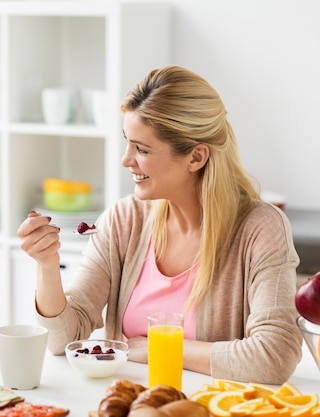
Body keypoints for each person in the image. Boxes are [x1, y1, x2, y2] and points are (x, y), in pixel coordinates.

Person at [17, 66, 302, 384]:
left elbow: (274, 356)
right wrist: (47, 265)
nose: (126, 160)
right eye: (128, 142)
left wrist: (161, 348)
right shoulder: (125, 220)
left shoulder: (260, 229)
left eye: (142, 149)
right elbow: (61, 339)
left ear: (196, 157)